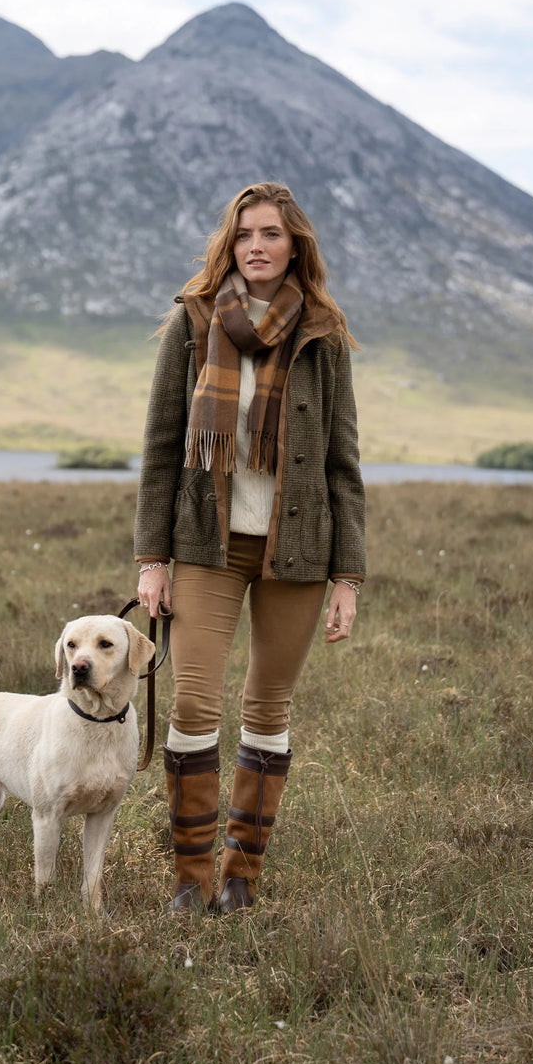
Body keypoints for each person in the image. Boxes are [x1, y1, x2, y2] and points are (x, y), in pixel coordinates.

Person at [134, 182, 366, 913]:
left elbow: (343, 461)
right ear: (229, 245)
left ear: (295, 244)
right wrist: (151, 560)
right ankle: (190, 879)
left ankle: (241, 876)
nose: (256, 245)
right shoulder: (194, 319)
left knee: (269, 707)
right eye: (244, 235)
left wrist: (347, 576)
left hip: (297, 548)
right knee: (193, 703)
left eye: (270, 233)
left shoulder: (323, 333)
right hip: (206, 541)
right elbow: (162, 446)